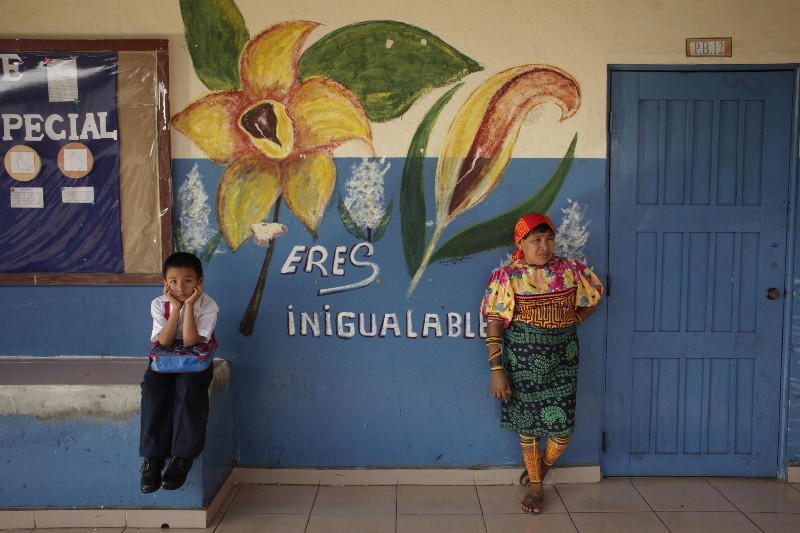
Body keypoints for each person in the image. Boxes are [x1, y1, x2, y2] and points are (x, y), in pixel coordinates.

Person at [480, 213, 603, 514]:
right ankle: (536, 485)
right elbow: (494, 324)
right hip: (522, 363)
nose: (544, 246)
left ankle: (544, 464)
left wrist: (574, 318)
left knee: (563, 429)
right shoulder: (508, 276)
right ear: (521, 243)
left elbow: (594, 298)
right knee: (529, 427)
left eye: (549, 239)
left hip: (564, 359)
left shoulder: (571, 270)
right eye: (535, 240)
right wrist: (497, 372)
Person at [139, 252, 219, 493]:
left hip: (195, 364)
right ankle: (153, 459)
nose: (180, 287)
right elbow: (163, 342)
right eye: (173, 281)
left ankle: (181, 458)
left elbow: (191, 341)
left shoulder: (208, 305)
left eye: (187, 280)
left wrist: (190, 305)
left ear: (199, 281)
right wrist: (175, 308)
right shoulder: (158, 304)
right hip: (165, 362)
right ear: (165, 283)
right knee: (152, 389)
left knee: (189, 389)